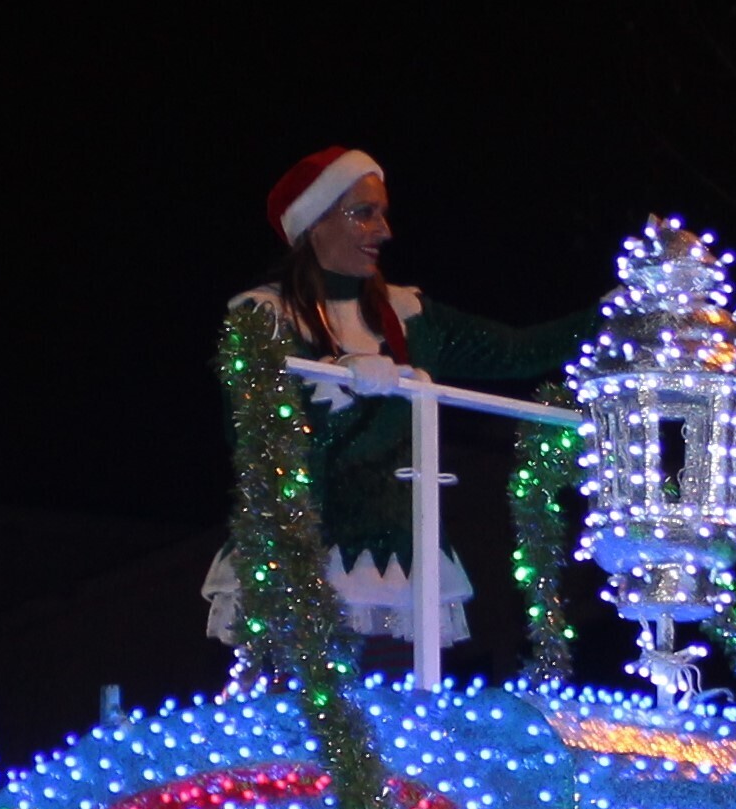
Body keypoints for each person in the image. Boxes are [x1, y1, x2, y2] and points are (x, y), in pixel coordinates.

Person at [207, 148, 587, 663]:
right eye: (363, 213)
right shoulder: (263, 318)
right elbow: (258, 446)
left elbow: (520, 352)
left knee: (396, 727)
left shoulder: (409, 315)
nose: (383, 231)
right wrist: (339, 390)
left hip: (399, 572)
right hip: (298, 568)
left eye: (381, 213)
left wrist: (624, 309)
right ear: (315, 223)